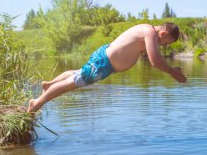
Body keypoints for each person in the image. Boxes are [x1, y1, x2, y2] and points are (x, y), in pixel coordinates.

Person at [27, 22, 187, 113]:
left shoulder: (147, 30)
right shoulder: (150, 33)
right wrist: (174, 73)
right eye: (165, 43)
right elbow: (155, 60)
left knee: (78, 74)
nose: (162, 45)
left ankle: (49, 85)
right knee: (74, 82)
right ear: (163, 34)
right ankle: (37, 103)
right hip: (105, 63)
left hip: (105, 61)